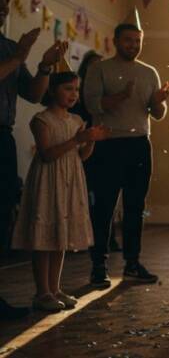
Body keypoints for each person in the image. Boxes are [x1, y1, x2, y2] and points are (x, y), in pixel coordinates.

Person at [84, 21, 169, 288]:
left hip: (139, 144)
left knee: (135, 207)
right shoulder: (99, 69)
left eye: (137, 40)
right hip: (109, 145)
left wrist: (159, 99)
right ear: (116, 41)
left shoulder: (149, 72)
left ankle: (132, 263)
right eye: (128, 40)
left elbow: (157, 114)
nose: (133, 45)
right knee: (105, 207)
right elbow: (91, 106)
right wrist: (120, 96)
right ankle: (98, 266)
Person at [11, 70, 108, 311]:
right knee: (44, 238)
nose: (74, 94)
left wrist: (91, 139)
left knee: (61, 236)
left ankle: (55, 288)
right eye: (68, 88)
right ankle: (41, 292)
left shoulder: (76, 121)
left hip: (70, 180)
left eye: (76, 89)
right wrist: (78, 139)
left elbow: (82, 156)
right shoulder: (41, 120)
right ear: (52, 90)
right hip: (48, 180)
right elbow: (46, 154)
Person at [0, 0, 67, 319]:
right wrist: (21, 55)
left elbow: (35, 94)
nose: (3, 7)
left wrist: (43, 65)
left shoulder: (9, 46)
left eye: (7, 1)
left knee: (1, 215)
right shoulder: (13, 51)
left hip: (3, 136)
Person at [70, 50, 121, 253]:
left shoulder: (107, 92)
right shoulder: (78, 97)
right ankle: (83, 237)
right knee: (84, 194)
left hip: (106, 148)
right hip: (83, 149)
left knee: (106, 196)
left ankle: (107, 238)